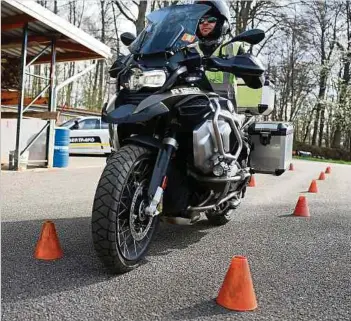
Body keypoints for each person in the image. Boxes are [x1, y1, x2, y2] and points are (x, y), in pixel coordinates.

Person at [194, 0, 246, 106]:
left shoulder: (234, 48)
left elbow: (255, 78)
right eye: (201, 20)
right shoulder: (188, 49)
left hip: (224, 109)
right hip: (191, 106)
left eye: (211, 20)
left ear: (222, 23)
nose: (205, 23)